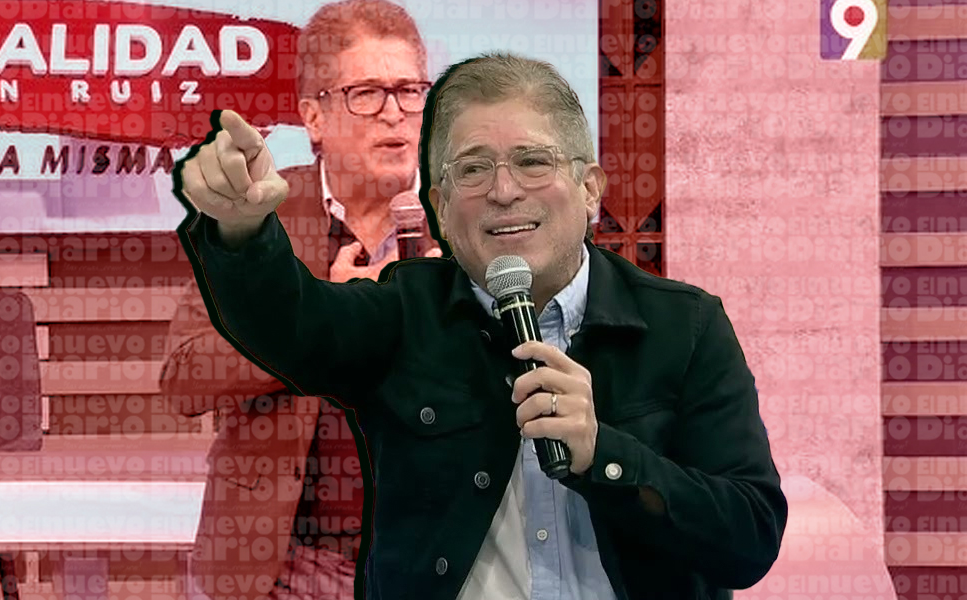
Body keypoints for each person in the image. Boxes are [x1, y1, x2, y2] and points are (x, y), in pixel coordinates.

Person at [175, 52, 788, 600]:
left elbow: (749, 537)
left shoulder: (686, 325)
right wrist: (242, 230)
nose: (503, 190)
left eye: (533, 161)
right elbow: (291, 323)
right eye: (471, 170)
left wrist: (605, 455)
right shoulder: (407, 311)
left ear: (590, 189)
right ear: (441, 210)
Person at [158, 1, 438, 599]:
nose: (395, 113)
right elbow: (186, 377)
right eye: (367, 93)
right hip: (283, 567)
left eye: (410, 91)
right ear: (314, 116)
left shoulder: (471, 219)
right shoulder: (258, 217)